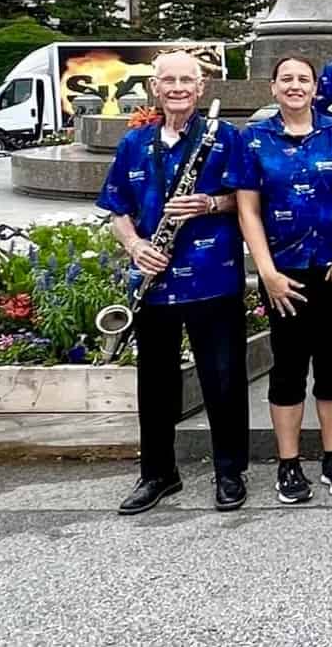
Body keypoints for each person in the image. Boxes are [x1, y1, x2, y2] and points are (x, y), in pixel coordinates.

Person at [98, 50, 248, 515]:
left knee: (222, 378)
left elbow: (245, 202)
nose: (179, 87)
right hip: (155, 276)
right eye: (170, 80)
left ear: (202, 88)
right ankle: (158, 473)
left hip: (212, 276)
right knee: (155, 381)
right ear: (155, 88)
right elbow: (116, 208)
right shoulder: (135, 143)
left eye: (188, 80)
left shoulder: (225, 138)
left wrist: (209, 205)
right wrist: (134, 245)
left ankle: (229, 471)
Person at [236, 56, 332, 505]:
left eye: (304, 79)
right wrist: (267, 272)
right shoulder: (253, 139)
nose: (295, 86)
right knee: (289, 367)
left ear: (316, 88)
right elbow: (248, 210)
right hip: (285, 273)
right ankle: (288, 463)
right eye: (286, 79)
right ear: (273, 87)